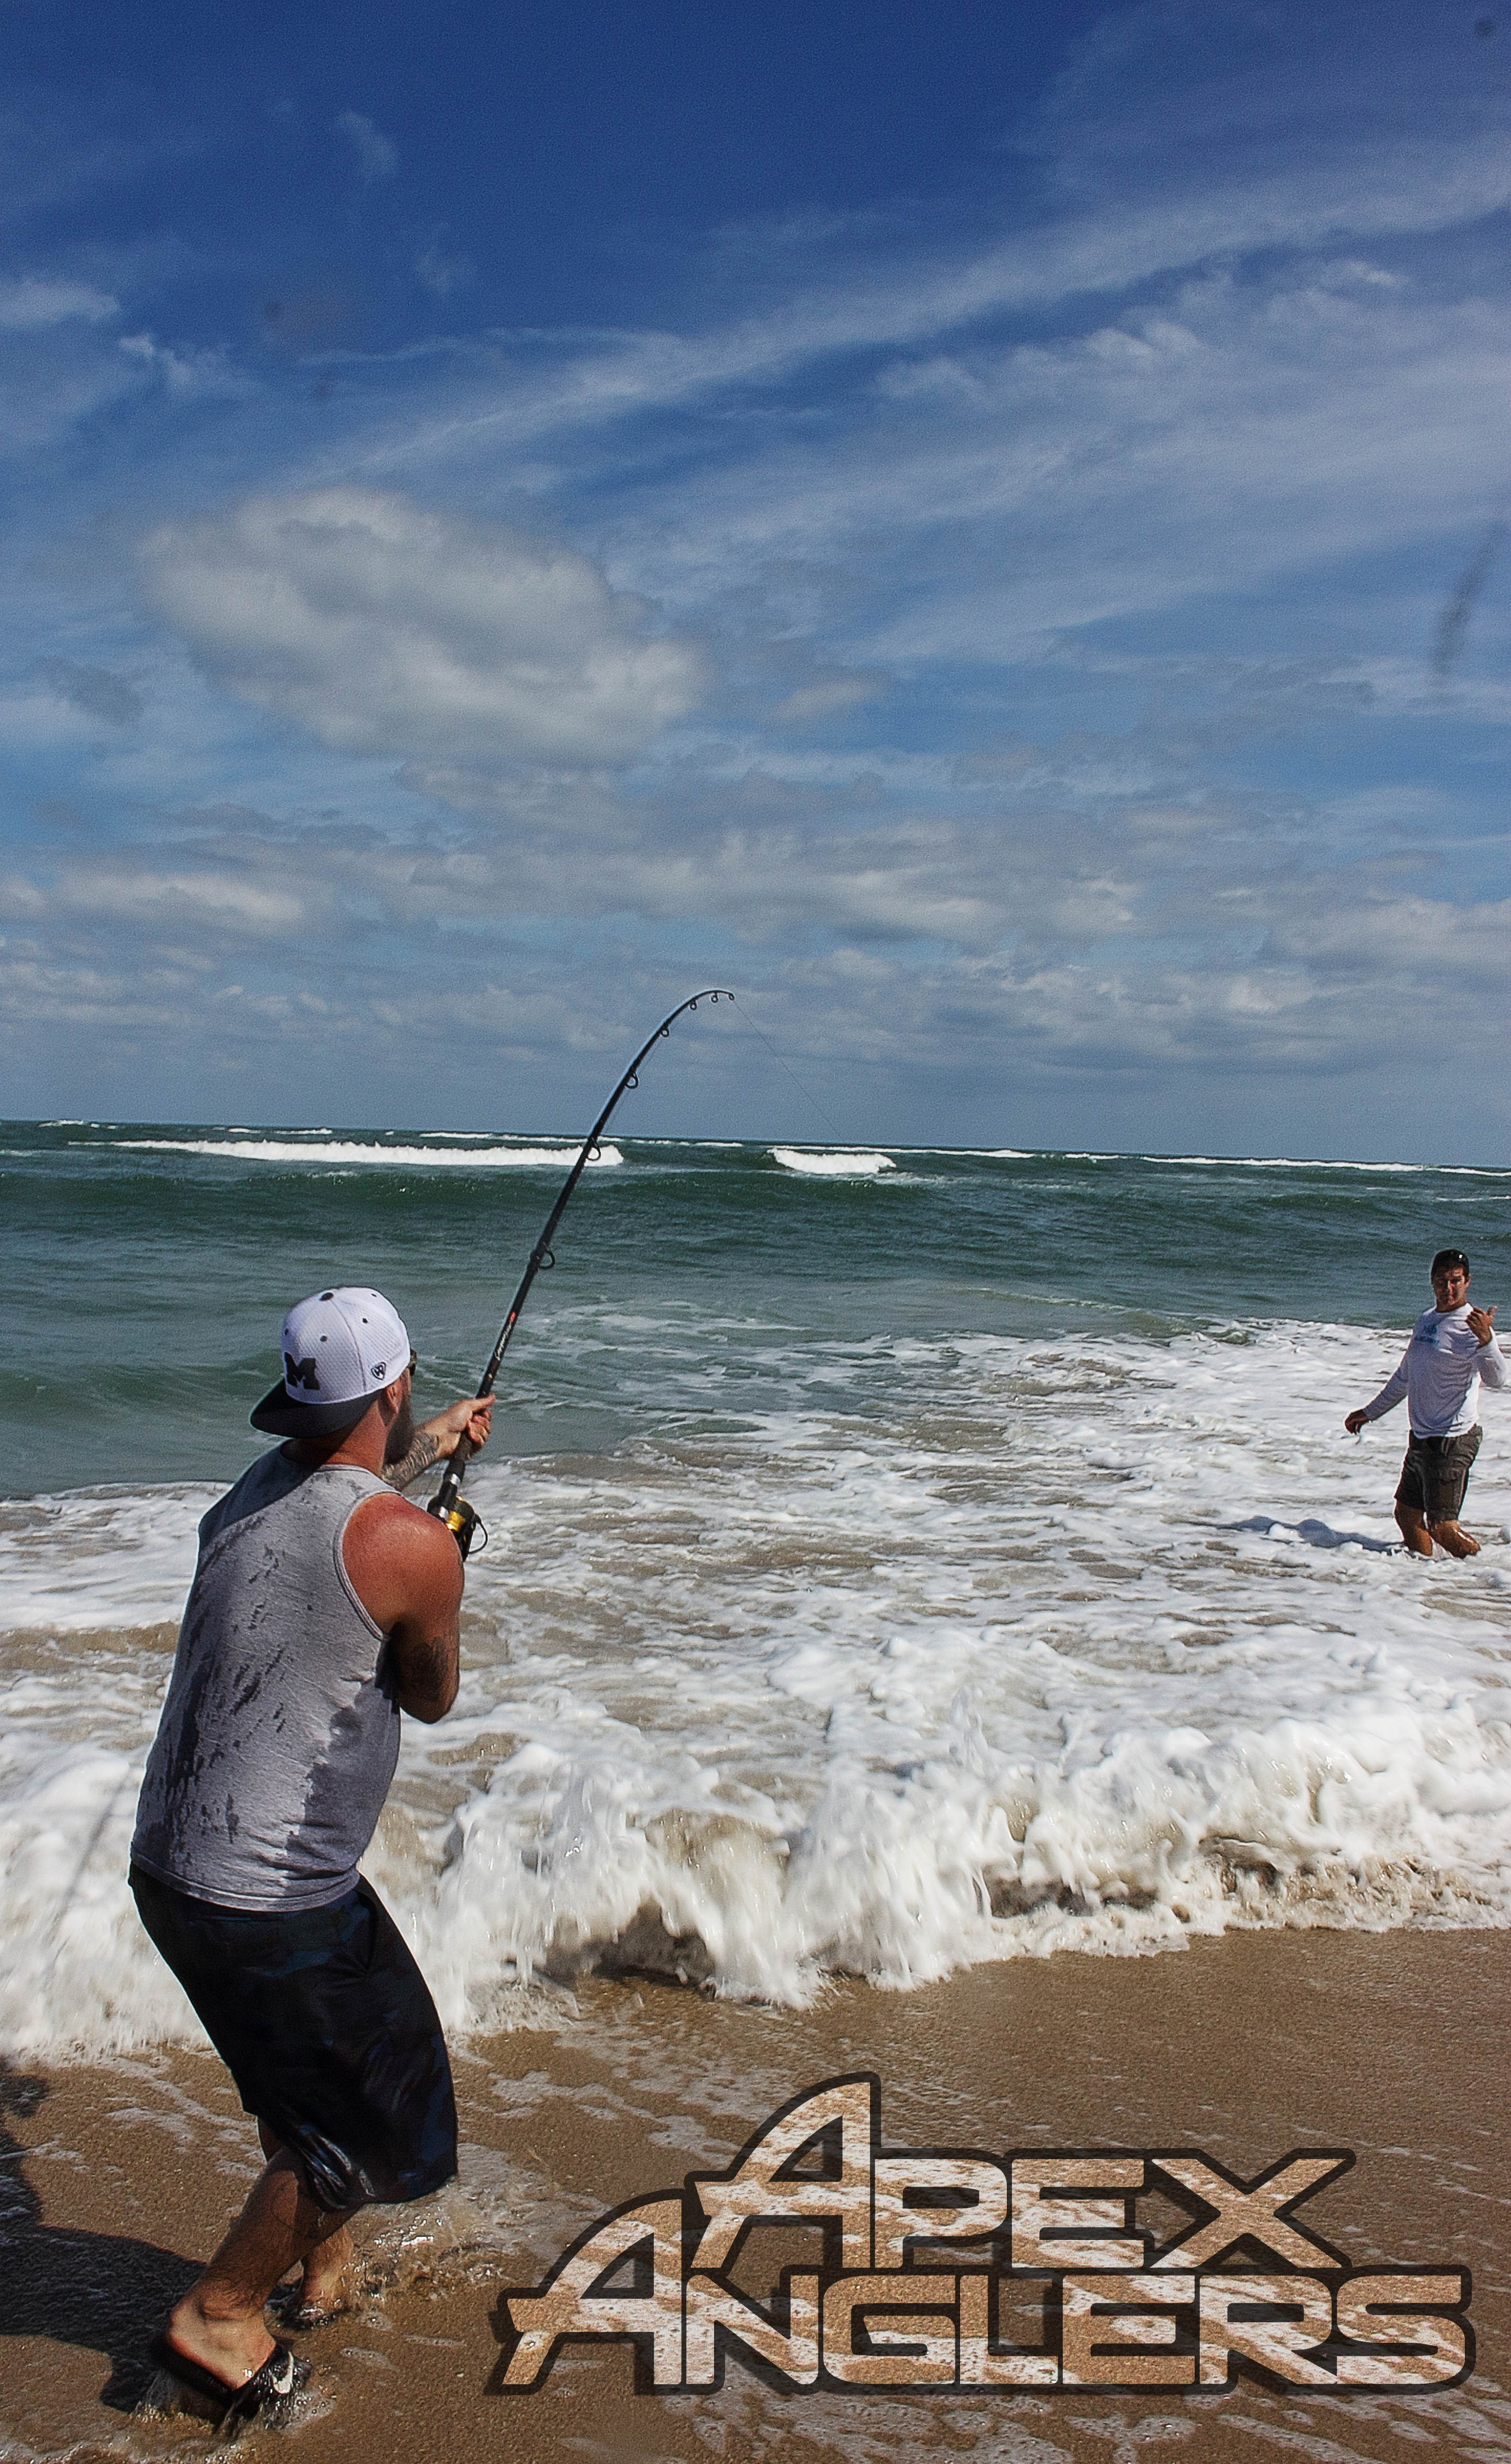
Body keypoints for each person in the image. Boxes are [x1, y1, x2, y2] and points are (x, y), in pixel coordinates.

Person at [127, 1287, 493, 2423]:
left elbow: (351, 1486)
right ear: (393, 1382)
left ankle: (318, 2267)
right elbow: (431, 1695)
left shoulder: (249, 1494)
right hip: (271, 1892)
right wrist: (450, 1556)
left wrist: (439, 1444)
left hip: (173, 1866)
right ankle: (219, 2315)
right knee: (388, 2116)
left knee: (306, 2077)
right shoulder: (408, 1545)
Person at [1344, 1249, 1506, 1559]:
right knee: (1406, 1515)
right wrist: (1370, 1412)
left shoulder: (1473, 1326)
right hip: (1422, 1439)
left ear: (1467, 1282)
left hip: (1452, 1440)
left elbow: (1499, 1379)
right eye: (1441, 1281)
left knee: (1442, 1526)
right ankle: (1425, 1577)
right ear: (1432, 1283)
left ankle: (1487, 1575)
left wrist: (1486, 1341)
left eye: (1455, 1281)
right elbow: (1405, 1377)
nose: (1448, 1289)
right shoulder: (1426, 1322)